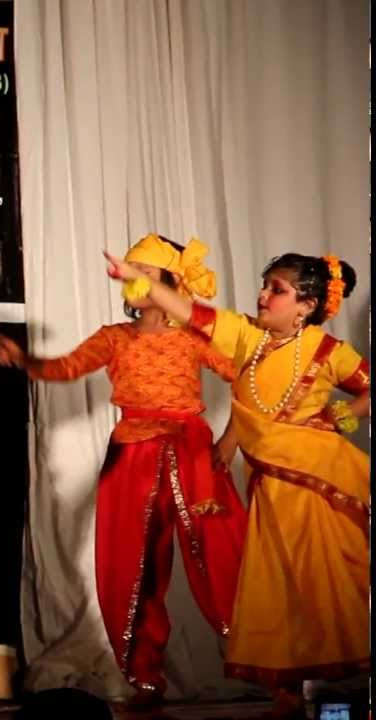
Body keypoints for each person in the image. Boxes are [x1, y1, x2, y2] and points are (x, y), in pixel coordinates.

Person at [103, 248, 369, 718]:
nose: (263, 295)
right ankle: (288, 692)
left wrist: (348, 412)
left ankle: (344, 695)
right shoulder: (248, 337)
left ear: (306, 306)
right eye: (265, 286)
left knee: (329, 585)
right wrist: (139, 281)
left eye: (277, 290)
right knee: (274, 588)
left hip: (320, 482)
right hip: (269, 484)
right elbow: (191, 312)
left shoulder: (330, 353)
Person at [0, 234, 246, 706]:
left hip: (191, 452)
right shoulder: (116, 337)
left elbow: (251, 380)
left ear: (171, 281)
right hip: (131, 454)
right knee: (133, 566)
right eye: (130, 270)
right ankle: (144, 677)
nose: (133, 278)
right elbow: (68, 367)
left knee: (222, 556)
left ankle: (273, 666)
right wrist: (26, 361)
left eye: (146, 271)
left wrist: (229, 441)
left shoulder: (196, 337)